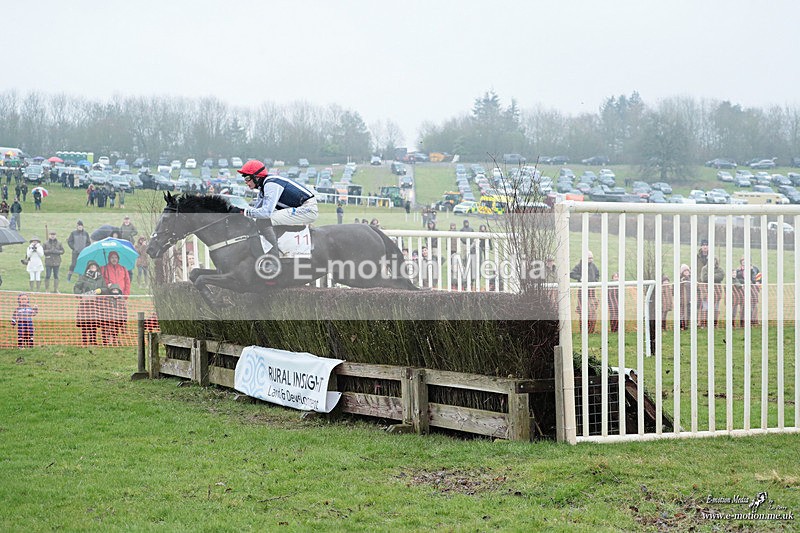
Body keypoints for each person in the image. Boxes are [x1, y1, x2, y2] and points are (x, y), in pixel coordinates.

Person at [238, 159, 318, 275]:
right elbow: (256, 211)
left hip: (308, 209)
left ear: (256, 177)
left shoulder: (271, 184)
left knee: (264, 221)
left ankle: (274, 262)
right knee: (258, 221)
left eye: (247, 178)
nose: (245, 182)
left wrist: (243, 211)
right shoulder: (263, 188)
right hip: (299, 208)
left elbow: (265, 213)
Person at [73, 260, 105, 346]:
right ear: (88, 268)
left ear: (97, 268)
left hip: (96, 303)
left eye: (94, 266)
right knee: (84, 322)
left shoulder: (100, 278)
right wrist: (80, 294)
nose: (93, 268)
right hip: (85, 303)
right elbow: (76, 287)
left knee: (94, 322)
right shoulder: (83, 277)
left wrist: (101, 290)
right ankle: (84, 339)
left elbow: (105, 288)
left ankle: (93, 339)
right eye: (91, 266)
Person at [570, 250, 600, 333]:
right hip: (582, 292)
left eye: (592, 258)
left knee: (592, 311)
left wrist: (595, 281)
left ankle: (591, 331)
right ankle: (583, 331)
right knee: (583, 312)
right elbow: (571, 274)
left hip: (592, 291)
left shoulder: (594, 266)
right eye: (590, 258)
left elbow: (597, 274)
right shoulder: (579, 266)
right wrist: (580, 278)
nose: (591, 259)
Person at [699, 256, 724, 328]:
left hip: (717, 291)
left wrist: (710, 276)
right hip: (706, 291)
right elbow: (704, 278)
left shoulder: (720, 269)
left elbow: (721, 277)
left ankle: (714, 324)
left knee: (715, 309)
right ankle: (704, 324)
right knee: (706, 308)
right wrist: (714, 277)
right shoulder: (704, 268)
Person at [679, 264, 692, 330]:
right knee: (682, 313)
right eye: (685, 271)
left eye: (688, 271)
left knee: (688, 312)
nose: (687, 272)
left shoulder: (691, 279)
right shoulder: (680, 280)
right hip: (682, 299)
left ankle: (686, 325)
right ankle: (682, 326)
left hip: (689, 299)